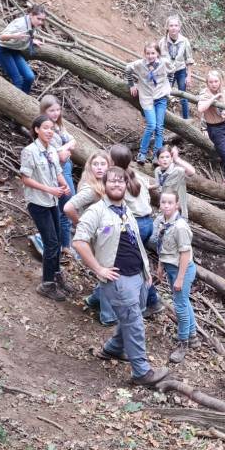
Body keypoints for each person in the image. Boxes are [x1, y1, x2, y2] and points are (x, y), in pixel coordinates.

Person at [73, 167, 169, 386]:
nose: (117, 184)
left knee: (133, 316)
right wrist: (99, 269)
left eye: (120, 181)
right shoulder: (96, 211)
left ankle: (113, 349)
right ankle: (141, 373)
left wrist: (146, 270)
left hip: (138, 275)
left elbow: (135, 243)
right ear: (104, 185)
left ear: (126, 185)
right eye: (112, 181)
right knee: (134, 323)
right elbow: (79, 241)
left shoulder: (125, 208)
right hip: (118, 280)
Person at [19, 114, 72, 301]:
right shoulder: (30, 151)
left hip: (52, 201)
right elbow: (25, 178)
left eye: (52, 129)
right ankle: (47, 284)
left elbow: (57, 171)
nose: (50, 132)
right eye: (46, 128)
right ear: (37, 130)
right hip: (38, 203)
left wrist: (64, 184)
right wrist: (49, 189)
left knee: (57, 240)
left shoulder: (51, 151)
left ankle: (56, 274)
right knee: (51, 243)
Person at [108, 144, 165, 318]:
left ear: (114, 162)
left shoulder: (118, 181)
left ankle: (151, 301)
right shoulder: (136, 175)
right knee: (137, 262)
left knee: (135, 266)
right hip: (147, 223)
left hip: (135, 226)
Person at [64, 150, 119, 327]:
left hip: (104, 233)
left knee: (108, 270)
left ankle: (95, 299)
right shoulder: (90, 190)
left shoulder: (102, 185)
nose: (99, 168)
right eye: (96, 164)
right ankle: (108, 315)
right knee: (107, 272)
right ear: (90, 167)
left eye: (103, 164)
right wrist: (80, 224)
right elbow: (68, 207)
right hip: (96, 237)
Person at [153, 191, 198, 363]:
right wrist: (160, 266)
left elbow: (185, 254)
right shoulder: (163, 222)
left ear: (177, 205)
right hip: (171, 267)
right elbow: (163, 246)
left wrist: (180, 278)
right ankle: (192, 336)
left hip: (182, 270)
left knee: (179, 306)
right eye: (163, 202)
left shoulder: (180, 227)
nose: (166, 205)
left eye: (170, 202)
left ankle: (182, 342)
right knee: (184, 302)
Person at [39, 94, 77, 258]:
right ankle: (65, 246)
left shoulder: (58, 126)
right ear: (44, 111)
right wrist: (66, 149)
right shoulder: (45, 130)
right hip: (58, 171)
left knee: (64, 205)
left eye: (57, 110)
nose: (55, 113)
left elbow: (73, 141)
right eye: (51, 110)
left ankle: (63, 242)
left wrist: (65, 148)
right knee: (67, 206)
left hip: (66, 168)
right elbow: (59, 156)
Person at [126, 41, 170, 165]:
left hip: (160, 98)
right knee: (151, 125)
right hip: (147, 98)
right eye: (148, 53)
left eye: (153, 53)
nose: (150, 56)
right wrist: (131, 85)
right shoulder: (140, 64)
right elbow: (128, 69)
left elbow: (172, 71)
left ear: (158, 54)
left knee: (159, 128)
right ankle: (142, 153)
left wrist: (169, 86)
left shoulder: (163, 63)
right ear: (144, 54)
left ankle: (157, 156)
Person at [0, 4, 46, 93]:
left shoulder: (32, 23)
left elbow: (26, 34)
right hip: (3, 50)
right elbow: (1, 37)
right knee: (18, 81)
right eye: (38, 19)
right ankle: (13, 100)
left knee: (30, 77)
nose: (40, 22)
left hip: (14, 51)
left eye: (42, 20)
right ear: (31, 15)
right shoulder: (20, 24)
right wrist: (14, 36)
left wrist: (31, 40)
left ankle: (24, 97)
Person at [159, 15, 195, 120]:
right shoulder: (162, 42)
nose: (173, 28)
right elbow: (158, 59)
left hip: (180, 71)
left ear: (179, 27)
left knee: (183, 95)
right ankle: (162, 117)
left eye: (176, 25)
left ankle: (185, 120)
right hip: (167, 72)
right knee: (164, 94)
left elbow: (189, 59)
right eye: (171, 25)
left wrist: (189, 76)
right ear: (167, 27)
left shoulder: (184, 41)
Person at [154, 145, 195, 218]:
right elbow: (158, 185)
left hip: (178, 212)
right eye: (162, 157)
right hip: (165, 209)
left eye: (167, 157)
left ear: (171, 159)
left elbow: (191, 172)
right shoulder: (158, 171)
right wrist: (147, 186)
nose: (165, 159)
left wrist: (177, 159)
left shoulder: (177, 170)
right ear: (158, 160)